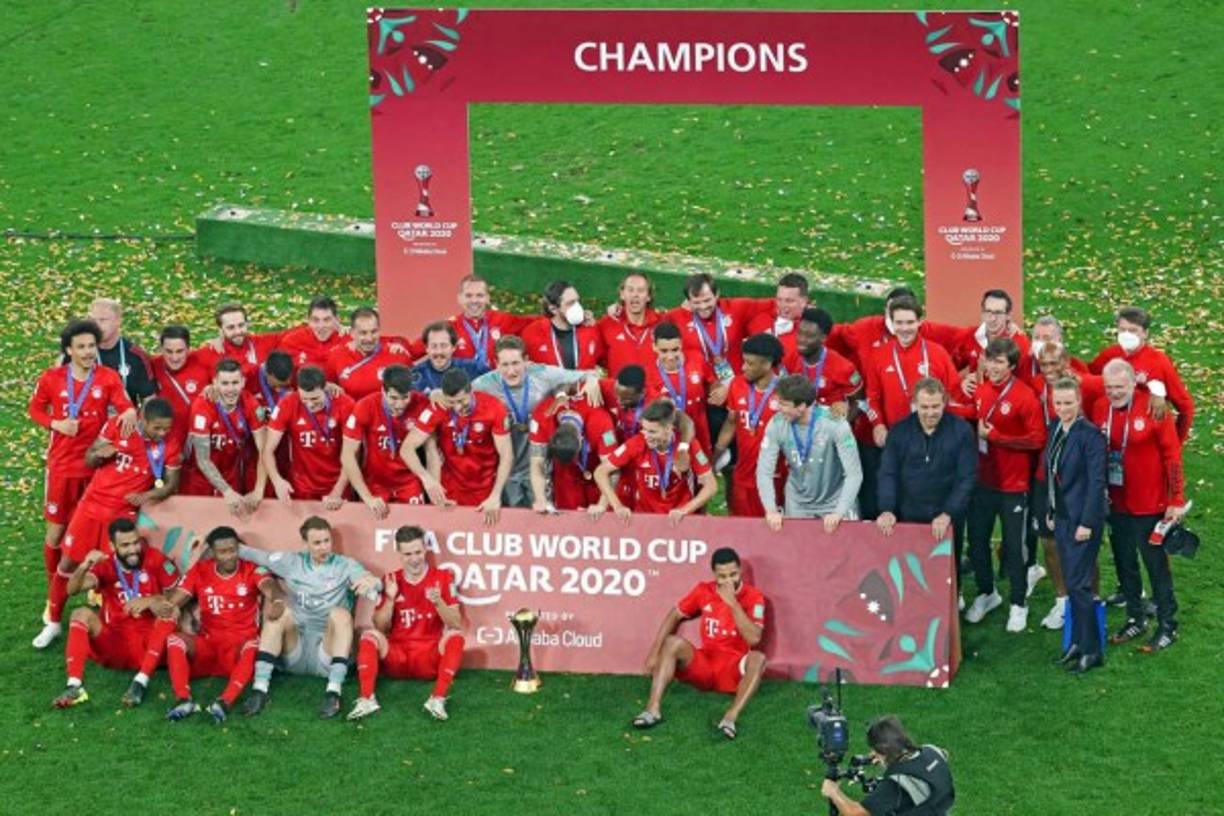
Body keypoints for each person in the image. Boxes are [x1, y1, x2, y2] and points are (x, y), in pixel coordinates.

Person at [37, 398, 181, 649]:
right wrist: (98, 455)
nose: (162, 433)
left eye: (166, 428)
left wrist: (148, 496)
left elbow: (171, 484)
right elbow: (89, 458)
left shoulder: (170, 443)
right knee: (68, 562)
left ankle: (116, 632)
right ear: (142, 419)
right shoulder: (118, 426)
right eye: (157, 428)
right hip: (90, 507)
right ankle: (53, 621)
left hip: (123, 515)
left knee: (114, 572)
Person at [29, 319, 135, 643]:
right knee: (58, 531)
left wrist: (129, 411)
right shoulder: (51, 378)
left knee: (94, 535)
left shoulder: (108, 377)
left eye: (92, 346)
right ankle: (54, 592)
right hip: (62, 468)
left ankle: (98, 594)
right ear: (69, 351)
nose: (89, 352)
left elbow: (124, 406)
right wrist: (56, 424)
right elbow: (34, 409)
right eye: (82, 347)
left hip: (95, 470)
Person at [239, 516, 381, 719]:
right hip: (294, 650)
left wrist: (373, 584)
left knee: (340, 614)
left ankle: (333, 692)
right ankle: (259, 690)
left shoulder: (344, 565)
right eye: (317, 543)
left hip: (327, 653)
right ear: (305, 544)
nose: (324, 547)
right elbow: (255, 555)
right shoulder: (291, 562)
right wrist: (212, 540)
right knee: (279, 613)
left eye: (327, 541)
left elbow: (372, 582)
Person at [1091, 359, 1187, 653]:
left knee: (1155, 565)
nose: (1114, 393)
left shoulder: (1153, 407)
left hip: (1150, 503)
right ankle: (1136, 615)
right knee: (1124, 562)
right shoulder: (1098, 407)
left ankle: (1168, 625)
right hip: (1116, 501)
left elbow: (1172, 455)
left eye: (1120, 387)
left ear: (1134, 384)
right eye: (1109, 387)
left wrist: (1176, 499)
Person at [631, 547, 767, 741]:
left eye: (733, 574)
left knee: (759, 658)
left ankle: (730, 718)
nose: (728, 580)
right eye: (722, 576)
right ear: (714, 575)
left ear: (740, 571)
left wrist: (733, 603)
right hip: (706, 663)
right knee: (671, 642)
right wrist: (654, 654)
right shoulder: (703, 590)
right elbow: (675, 614)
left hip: (734, 668)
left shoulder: (754, 597)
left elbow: (754, 639)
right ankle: (652, 710)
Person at [51, 518, 179, 709]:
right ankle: (74, 685)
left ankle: (140, 682)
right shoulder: (106, 565)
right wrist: (84, 565)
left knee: (172, 612)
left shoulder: (157, 560)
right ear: (112, 546)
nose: (133, 549)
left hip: (149, 644)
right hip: (114, 642)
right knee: (80, 613)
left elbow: (176, 598)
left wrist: (152, 600)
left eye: (136, 542)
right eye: (125, 545)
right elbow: (72, 590)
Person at [963, 338, 1046, 632]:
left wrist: (998, 438)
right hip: (983, 482)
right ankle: (988, 593)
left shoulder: (1024, 397)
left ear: (1011, 366)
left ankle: (1018, 603)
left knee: (1014, 547)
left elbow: (1038, 439)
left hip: (1013, 485)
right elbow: (975, 417)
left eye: (1000, 362)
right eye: (990, 360)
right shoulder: (982, 389)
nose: (994, 367)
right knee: (977, 542)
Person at [162, 526, 281, 722]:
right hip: (208, 645)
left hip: (238, 651)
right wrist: (169, 606)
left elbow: (269, 586)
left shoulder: (252, 570)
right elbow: (178, 597)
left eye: (233, 550)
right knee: (175, 640)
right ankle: (183, 699)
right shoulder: (200, 571)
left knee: (254, 645)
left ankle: (224, 702)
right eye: (222, 552)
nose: (229, 556)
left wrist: (276, 600)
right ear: (212, 552)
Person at [349, 525, 465, 721]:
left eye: (418, 552)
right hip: (397, 656)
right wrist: (391, 599)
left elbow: (455, 623)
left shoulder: (443, 578)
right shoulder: (391, 579)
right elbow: (381, 627)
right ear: (399, 554)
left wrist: (439, 603)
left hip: (429, 657)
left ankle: (437, 698)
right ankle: (367, 698)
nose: (414, 559)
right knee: (369, 635)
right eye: (408, 554)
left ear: (426, 549)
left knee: (456, 637)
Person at [1027, 341, 1105, 628]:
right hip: (1045, 478)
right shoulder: (1033, 385)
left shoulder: (1084, 384)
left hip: (1077, 480)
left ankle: (1092, 600)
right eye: (1043, 364)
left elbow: (1119, 382)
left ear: (1066, 362)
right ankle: (1062, 601)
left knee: (1084, 547)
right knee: (1050, 540)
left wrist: (1156, 388)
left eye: (1054, 364)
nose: (1048, 370)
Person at [470, 335, 600, 508]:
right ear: (496, 364)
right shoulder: (483, 384)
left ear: (526, 361)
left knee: (541, 519)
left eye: (516, 363)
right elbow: (454, 395)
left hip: (540, 468)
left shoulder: (543, 374)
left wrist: (591, 380)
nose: (511, 371)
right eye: (505, 365)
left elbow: (590, 374)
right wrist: (436, 394)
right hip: (505, 470)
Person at [876, 378, 977, 571]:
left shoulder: (961, 430)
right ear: (914, 404)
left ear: (945, 402)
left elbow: (966, 476)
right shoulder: (899, 431)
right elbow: (888, 473)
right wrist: (887, 508)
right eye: (924, 407)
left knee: (946, 569)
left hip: (947, 514)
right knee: (912, 568)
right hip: (909, 512)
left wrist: (948, 512)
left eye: (935, 406)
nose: (930, 412)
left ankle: (953, 599)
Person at [1045, 377, 1108, 674]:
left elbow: (1097, 483)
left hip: (1082, 521)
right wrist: (1050, 509)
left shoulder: (1091, 435)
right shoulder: (1055, 429)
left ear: (1079, 402)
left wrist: (1087, 522)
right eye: (1058, 403)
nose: (1062, 408)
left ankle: (1092, 649)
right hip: (1062, 517)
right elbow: (1051, 473)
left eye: (1068, 403)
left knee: (1080, 585)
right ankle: (1079, 643)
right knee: (1072, 583)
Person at [403, 368, 513, 524]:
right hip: (450, 488)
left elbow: (506, 455)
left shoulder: (493, 407)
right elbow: (407, 449)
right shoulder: (438, 408)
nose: (457, 407)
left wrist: (495, 496)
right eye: (452, 402)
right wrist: (428, 479)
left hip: (486, 487)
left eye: (462, 401)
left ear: (471, 391)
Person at [756, 375, 861, 532]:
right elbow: (764, 471)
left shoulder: (835, 424)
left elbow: (854, 474)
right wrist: (771, 510)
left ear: (802, 406)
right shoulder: (777, 424)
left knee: (846, 553)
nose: (779, 408)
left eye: (784, 404)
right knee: (799, 553)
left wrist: (839, 512)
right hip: (798, 502)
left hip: (835, 500)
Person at [594, 399, 717, 524]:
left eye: (652, 431)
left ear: (668, 429)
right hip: (645, 517)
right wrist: (617, 506)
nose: (646, 435)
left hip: (679, 519)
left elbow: (711, 485)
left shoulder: (689, 446)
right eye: (644, 429)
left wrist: (684, 510)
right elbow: (600, 472)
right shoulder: (637, 443)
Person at [1089, 306, 1194, 442]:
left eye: (1133, 330)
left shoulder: (1159, 362)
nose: (1126, 335)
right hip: (1110, 433)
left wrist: (1176, 441)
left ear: (1145, 333)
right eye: (1122, 330)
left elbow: (1185, 406)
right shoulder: (1110, 355)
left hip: (1144, 437)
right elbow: (1088, 381)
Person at [820, 715, 955, 816]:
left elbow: (857, 813)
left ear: (884, 750)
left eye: (875, 750)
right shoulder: (933, 751)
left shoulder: (896, 784)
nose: (872, 753)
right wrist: (888, 759)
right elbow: (942, 755)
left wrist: (834, 792)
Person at [181, 358, 267, 514]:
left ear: (243, 382)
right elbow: (203, 459)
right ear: (215, 383)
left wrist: (259, 489)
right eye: (225, 383)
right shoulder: (202, 406)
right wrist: (226, 491)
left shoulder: (250, 404)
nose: (230, 389)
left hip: (231, 475)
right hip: (200, 479)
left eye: (235, 383)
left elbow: (264, 451)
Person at [341, 365, 428, 518]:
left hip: (409, 481)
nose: (400, 404)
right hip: (375, 483)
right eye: (393, 398)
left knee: (415, 527)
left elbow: (432, 449)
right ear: (383, 391)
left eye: (405, 397)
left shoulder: (421, 404)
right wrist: (366, 496)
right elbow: (347, 455)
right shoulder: (365, 406)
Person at [713, 333, 785, 517]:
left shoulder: (787, 392)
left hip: (776, 478)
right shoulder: (737, 384)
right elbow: (731, 421)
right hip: (744, 476)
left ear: (768, 364)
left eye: (750, 363)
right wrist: (717, 454)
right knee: (743, 529)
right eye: (744, 361)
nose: (743, 367)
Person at [263, 365, 355, 506]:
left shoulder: (345, 404)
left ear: (325, 387)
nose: (310, 405)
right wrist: (277, 480)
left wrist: (338, 490)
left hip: (338, 482)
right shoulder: (288, 404)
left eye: (315, 398)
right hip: (301, 486)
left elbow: (353, 453)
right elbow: (268, 449)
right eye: (305, 399)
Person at [528, 392, 617, 512]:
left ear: (581, 439)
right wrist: (540, 498)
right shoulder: (543, 416)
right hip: (565, 475)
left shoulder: (602, 423)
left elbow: (613, 471)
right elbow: (537, 463)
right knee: (568, 522)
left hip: (598, 472)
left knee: (601, 520)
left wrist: (602, 505)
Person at [646, 320, 712, 452]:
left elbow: (712, 381)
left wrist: (718, 390)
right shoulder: (649, 374)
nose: (670, 356)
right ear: (654, 347)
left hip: (701, 430)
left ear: (681, 344)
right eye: (664, 351)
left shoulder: (697, 358)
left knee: (704, 465)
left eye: (675, 349)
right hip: (672, 432)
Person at [948, 289, 1031, 391]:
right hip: (974, 401)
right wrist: (961, 383)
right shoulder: (972, 335)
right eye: (988, 312)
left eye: (998, 313)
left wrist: (983, 383)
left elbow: (1025, 386)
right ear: (982, 313)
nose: (992, 318)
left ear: (1008, 315)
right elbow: (948, 370)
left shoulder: (1021, 344)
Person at [325, 306, 414, 401]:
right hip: (353, 414)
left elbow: (412, 392)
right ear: (352, 333)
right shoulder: (337, 356)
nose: (369, 338)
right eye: (363, 333)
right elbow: (328, 386)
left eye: (374, 331)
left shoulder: (398, 355)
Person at [448, 274, 535, 369]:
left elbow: (539, 323)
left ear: (487, 298)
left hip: (496, 381)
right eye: (468, 296)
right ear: (459, 298)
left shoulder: (503, 319)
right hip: (463, 382)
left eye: (480, 295)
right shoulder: (449, 327)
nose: (474, 300)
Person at [84, 297, 157, 405]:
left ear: (118, 321)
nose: (96, 326)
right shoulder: (80, 354)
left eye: (102, 320)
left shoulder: (135, 356)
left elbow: (149, 400)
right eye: (93, 321)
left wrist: (140, 421)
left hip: (126, 419)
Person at [521, 280, 604, 370]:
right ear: (553, 309)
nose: (577, 307)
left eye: (578, 301)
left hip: (582, 384)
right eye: (570, 303)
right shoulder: (532, 333)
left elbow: (608, 357)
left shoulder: (590, 329)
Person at [150, 324, 211, 441]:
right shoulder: (151, 365)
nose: (174, 358)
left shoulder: (203, 361)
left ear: (188, 349)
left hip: (198, 436)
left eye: (180, 351)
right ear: (161, 349)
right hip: (165, 440)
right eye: (169, 351)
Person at [195, 302, 285, 379]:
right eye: (231, 327)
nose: (238, 331)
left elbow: (294, 334)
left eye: (241, 325)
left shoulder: (262, 342)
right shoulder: (211, 353)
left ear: (247, 324)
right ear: (220, 330)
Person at [596, 272, 661, 376]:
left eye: (640, 290)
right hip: (620, 391)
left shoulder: (662, 323)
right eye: (630, 290)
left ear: (648, 296)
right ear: (622, 294)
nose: (635, 295)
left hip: (654, 391)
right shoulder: (606, 324)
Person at [746, 272, 811, 360]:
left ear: (804, 301)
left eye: (789, 301)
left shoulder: (812, 332)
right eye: (779, 299)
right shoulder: (761, 321)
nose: (782, 305)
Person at [410, 320, 489, 393]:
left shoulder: (474, 369)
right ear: (427, 348)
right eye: (434, 346)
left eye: (443, 346)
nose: (439, 352)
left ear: (453, 347)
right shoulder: (415, 376)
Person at [279, 295, 347, 368]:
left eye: (327, 320)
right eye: (315, 320)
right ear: (308, 320)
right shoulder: (292, 342)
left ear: (337, 320)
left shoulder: (349, 342)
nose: (321, 326)